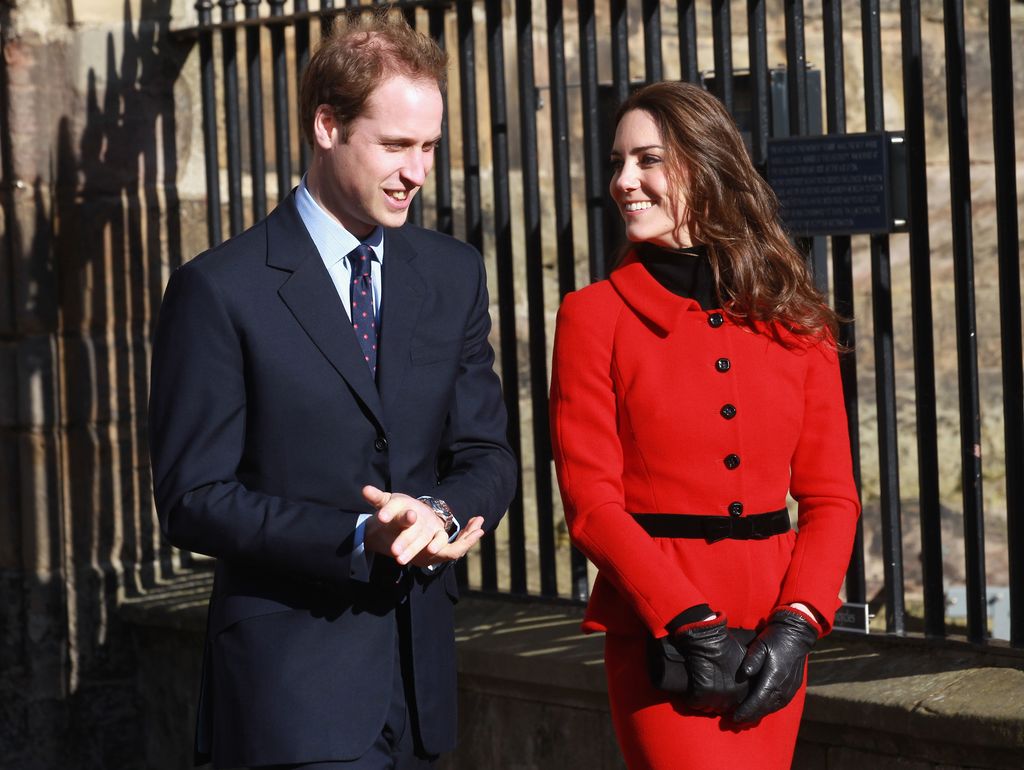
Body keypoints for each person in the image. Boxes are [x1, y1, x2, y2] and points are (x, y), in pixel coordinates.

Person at [148, 12, 516, 769]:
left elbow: (486, 454)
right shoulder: (219, 289)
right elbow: (193, 496)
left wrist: (437, 511)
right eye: (395, 145)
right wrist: (356, 536)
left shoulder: (452, 274)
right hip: (289, 694)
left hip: (420, 693)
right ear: (327, 125)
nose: (417, 171)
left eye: (430, 148)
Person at [549, 81, 861, 769]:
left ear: (706, 166)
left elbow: (833, 496)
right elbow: (592, 507)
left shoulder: (796, 321)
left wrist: (800, 623)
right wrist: (687, 618)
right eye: (617, 162)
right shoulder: (591, 318)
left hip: (774, 639)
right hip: (662, 639)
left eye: (648, 160)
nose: (624, 182)